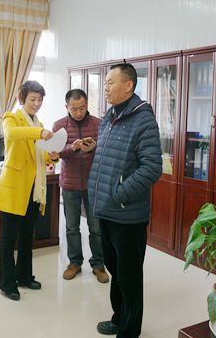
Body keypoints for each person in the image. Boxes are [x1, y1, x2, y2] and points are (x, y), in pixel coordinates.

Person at [88, 63, 163, 338]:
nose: (105, 87)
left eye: (110, 82)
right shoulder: (109, 117)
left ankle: (129, 331)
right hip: (106, 210)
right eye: (105, 83)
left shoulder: (143, 119)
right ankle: (119, 318)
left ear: (128, 85)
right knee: (115, 270)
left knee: (129, 275)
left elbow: (152, 167)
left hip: (127, 213)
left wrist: (119, 194)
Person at [0, 80, 59, 301]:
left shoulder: (39, 123)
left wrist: (52, 155)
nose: (36, 103)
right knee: (8, 238)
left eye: (40, 99)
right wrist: (40, 132)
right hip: (14, 187)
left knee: (27, 235)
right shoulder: (10, 118)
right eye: (32, 99)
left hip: (34, 189)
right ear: (23, 98)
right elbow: (13, 134)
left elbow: (40, 152)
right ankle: (7, 283)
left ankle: (24, 276)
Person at [52, 89, 108, 283]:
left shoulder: (99, 124)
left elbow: (107, 150)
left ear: (87, 105)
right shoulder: (59, 126)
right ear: (66, 107)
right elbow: (56, 152)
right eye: (74, 109)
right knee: (71, 227)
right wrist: (72, 147)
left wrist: (94, 147)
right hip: (70, 183)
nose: (78, 112)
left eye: (82, 108)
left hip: (94, 184)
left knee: (96, 228)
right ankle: (74, 263)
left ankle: (98, 265)